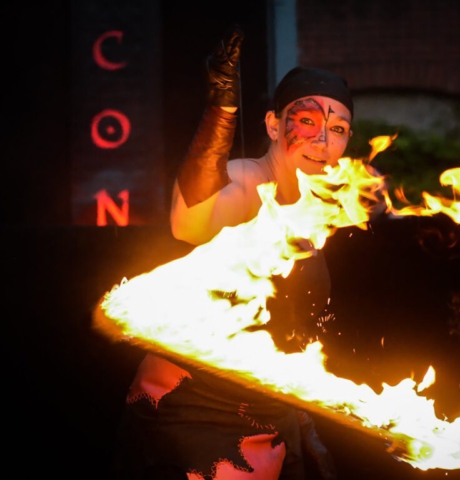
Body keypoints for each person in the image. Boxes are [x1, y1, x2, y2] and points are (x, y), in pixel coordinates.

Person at [111, 24, 357, 480]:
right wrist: (222, 109)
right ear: (271, 124)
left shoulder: (320, 206)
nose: (323, 140)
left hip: (272, 412)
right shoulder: (247, 182)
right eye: (306, 122)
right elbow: (189, 222)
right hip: (196, 412)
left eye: (338, 128)